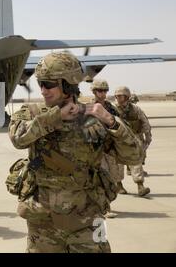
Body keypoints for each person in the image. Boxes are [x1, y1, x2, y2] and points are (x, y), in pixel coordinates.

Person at [8, 51, 142, 253]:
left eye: (49, 84)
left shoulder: (94, 118)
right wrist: (55, 117)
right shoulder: (32, 113)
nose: (43, 90)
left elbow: (134, 156)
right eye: (40, 84)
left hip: (89, 219)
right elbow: (18, 138)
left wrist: (112, 122)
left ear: (68, 83)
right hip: (43, 221)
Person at [91, 79, 125, 218]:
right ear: (94, 91)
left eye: (105, 90)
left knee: (112, 177)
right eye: (100, 90)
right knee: (102, 177)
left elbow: (119, 122)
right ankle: (105, 208)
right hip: (96, 148)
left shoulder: (110, 107)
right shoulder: (89, 107)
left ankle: (103, 205)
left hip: (109, 147)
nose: (103, 93)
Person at [115, 87, 151, 197]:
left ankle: (140, 186)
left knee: (136, 162)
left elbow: (144, 122)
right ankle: (119, 185)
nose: (118, 98)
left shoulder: (135, 109)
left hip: (133, 138)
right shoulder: (113, 109)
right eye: (117, 96)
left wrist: (147, 136)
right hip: (119, 139)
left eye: (121, 96)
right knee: (118, 164)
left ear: (127, 96)